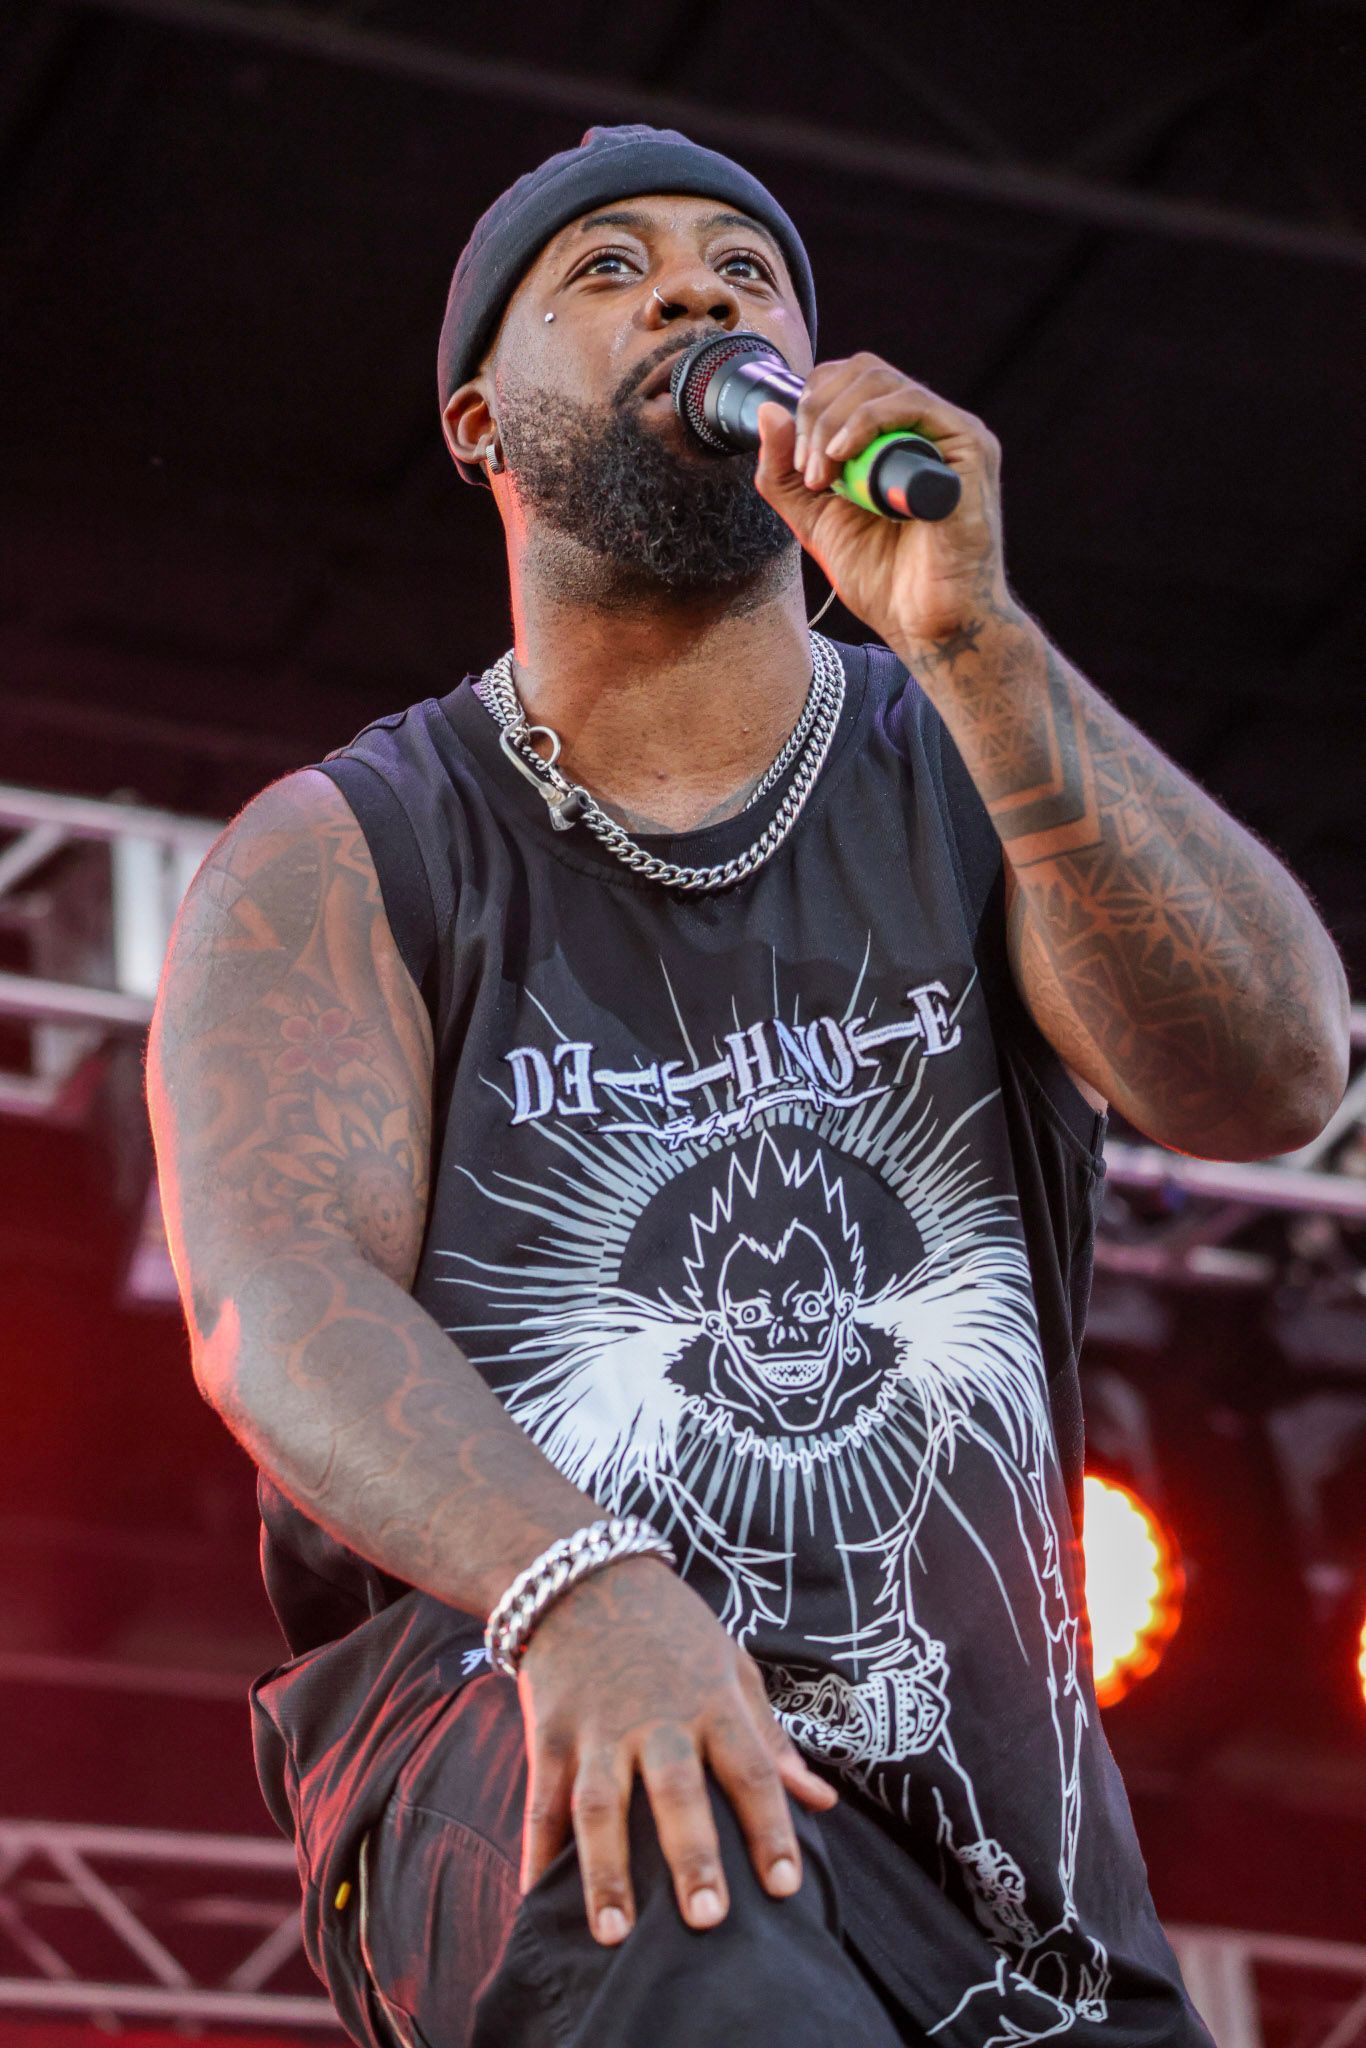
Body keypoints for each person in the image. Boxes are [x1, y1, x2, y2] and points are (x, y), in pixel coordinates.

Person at [147, 123, 1348, 2048]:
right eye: (607, 270)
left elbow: (1273, 1077)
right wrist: (575, 1582)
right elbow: (273, 1303)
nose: (698, 291)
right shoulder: (350, 848)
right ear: (476, 428)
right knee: (694, 1939)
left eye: (745, 270)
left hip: (996, 1848)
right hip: (530, 1740)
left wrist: (972, 637)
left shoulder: (965, 759)